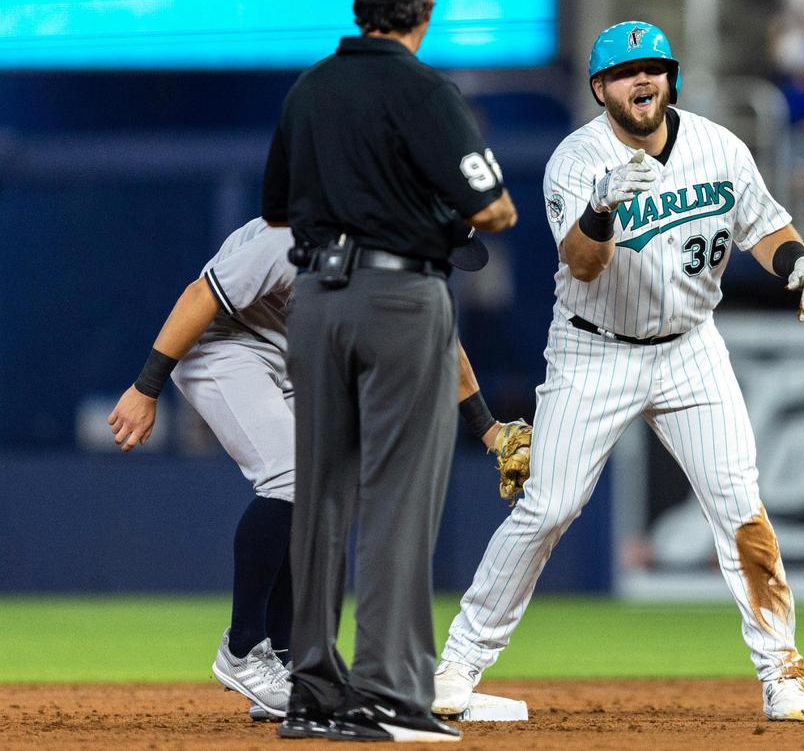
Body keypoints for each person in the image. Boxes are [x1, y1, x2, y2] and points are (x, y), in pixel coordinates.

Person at [432, 21, 804, 723]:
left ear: (670, 77)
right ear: (599, 89)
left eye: (655, 67)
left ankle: (782, 671)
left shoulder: (716, 146)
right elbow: (583, 264)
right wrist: (602, 205)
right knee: (548, 506)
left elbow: (764, 225)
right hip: (596, 348)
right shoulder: (576, 158)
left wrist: (798, 262)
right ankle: (458, 663)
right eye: (625, 72)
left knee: (740, 505)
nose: (643, 80)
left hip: (690, 347)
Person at [260, 0, 516, 743]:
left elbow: (274, 207)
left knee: (321, 499)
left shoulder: (310, 89)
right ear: (427, 7)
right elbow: (494, 210)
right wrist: (423, 213)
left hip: (314, 298)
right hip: (400, 295)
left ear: (362, 4)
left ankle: (312, 692)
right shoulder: (425, 91)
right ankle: (386, 695)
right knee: (399, 498)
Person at [105, 216, 512, 725]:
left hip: (292, 350)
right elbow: (200, 295)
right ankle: (242, 649)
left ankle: (284, 666)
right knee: (289, 478)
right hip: (222, 341)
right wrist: (146, 389)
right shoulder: (307, 232)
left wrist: (491, 431)